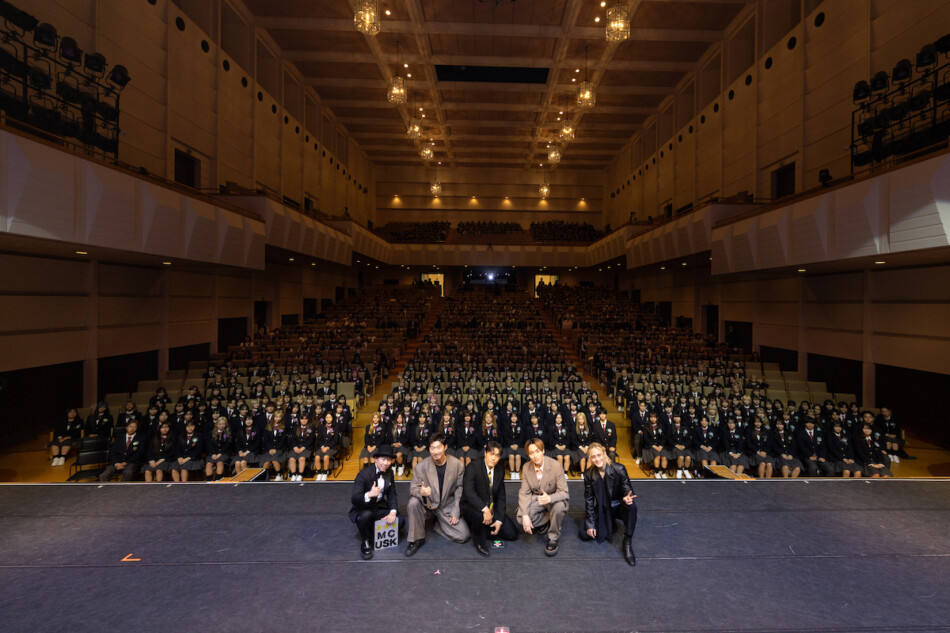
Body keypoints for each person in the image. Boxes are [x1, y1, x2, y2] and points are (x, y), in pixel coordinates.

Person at [405, 433, 470, 556]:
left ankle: (438, 525)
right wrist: (421, 492)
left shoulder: (457, 465)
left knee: (464, 535)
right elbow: (412, 489)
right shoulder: (421, 466)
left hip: (446, 505)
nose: (435, 451)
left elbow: (459, 488)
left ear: (445, 447)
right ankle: (416, 540)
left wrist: (456, 510)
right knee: (413, 502)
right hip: (428, 504)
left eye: (438, 447)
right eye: (432, 448)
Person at [579, 442, 637, 566]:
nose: (597, 459)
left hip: (618, 506)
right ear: (590, 458)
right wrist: (590, 524)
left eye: (599, 455)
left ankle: (627, 542)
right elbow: (589, 500)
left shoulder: (619, 469)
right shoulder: (588, 474)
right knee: (584, 534)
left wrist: (627, 498)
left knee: (632, 506)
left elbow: (628, 490)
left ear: (604, 453)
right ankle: (609, 522)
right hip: (602, 509)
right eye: (593, 457)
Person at [461, 441, 519, 557]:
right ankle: (479, 540)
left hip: (491, 506)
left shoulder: (500, 470)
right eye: (491, 454)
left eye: (497, 455)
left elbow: (501, 496)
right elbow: (469, 492)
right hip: (473, 505)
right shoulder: (473, 467)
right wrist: (484, 509)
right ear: (485, 453)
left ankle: (481, 528)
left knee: (512, 534)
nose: (493, 458)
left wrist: (499, 520)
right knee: (479, 518)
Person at [518, 438, 570, 557]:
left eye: (537, 451)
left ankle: (553, 537)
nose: (535, 456)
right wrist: (525, 515)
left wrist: (550, 498)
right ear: (528, 455)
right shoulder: (526, 467)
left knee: (559, 508)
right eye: (531, 453)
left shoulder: (556, 466)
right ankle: (546, 521)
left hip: (553, 499)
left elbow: (564, 492)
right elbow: (524, 493)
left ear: (543, 451)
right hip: (538, 499)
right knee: (521, 517)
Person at [349, 445, 399, 560]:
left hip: (379, 507)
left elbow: (392, 494)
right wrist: (369, 494)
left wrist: (392, 512)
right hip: (364, 507)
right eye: (383, 459)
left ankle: (373, 531)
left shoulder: (390, 472)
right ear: (376, 459)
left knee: (400, 521)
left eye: (389, 460)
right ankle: (366, 540)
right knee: (365, 516)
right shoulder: (363, 475)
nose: (386, 463)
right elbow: (354, 499)